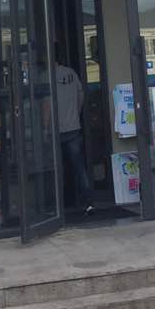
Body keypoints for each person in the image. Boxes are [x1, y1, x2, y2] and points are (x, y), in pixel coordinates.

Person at [53, 44, 94, 214]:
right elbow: (81, 95)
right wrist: (75, 114)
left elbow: (45, 104)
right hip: (73, 127)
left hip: (55, 129)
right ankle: (89, 202)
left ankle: (58, 206)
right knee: (79, 167)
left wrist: (45, 127)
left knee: (56, 168)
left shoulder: (46, 75)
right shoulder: (71, 73)